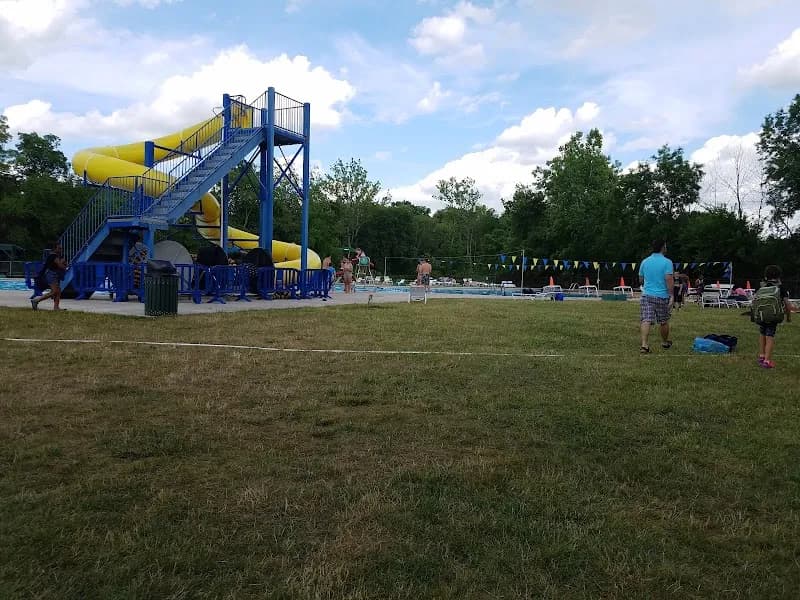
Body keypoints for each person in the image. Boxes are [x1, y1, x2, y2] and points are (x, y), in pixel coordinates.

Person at [638, 239, 674, 353]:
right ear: (663, 247)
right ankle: (664, 342)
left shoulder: (645, 261)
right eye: (666, 246)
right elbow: (669, 279)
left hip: (647, 295)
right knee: (663, 321)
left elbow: (641, 279)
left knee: (646, 319)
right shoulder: (667, 262)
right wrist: (671, 295)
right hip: (662, 296)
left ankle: (644, 345)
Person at [754, 265, 792, 369]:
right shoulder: (780, 288)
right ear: (779, 276)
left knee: (762, 333)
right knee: (770, 336)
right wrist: (788, 317)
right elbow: (788, 305)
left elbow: (754, 300)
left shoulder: (761, 286)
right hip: (773, 316)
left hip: (761, 315)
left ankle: (761, 356)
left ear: (766, 275)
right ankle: (767, 361)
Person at [31, 242, 68, 310]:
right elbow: (60, 265)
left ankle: (56, 307)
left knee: (58, 290)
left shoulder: (53, 256)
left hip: (53, 275)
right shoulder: (53, 256)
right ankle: (35, 301)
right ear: (54, 249)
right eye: (59, 248)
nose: (61, 250)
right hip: (51, 275)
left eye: (61, 248)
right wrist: (65, 265)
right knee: (54, 291)